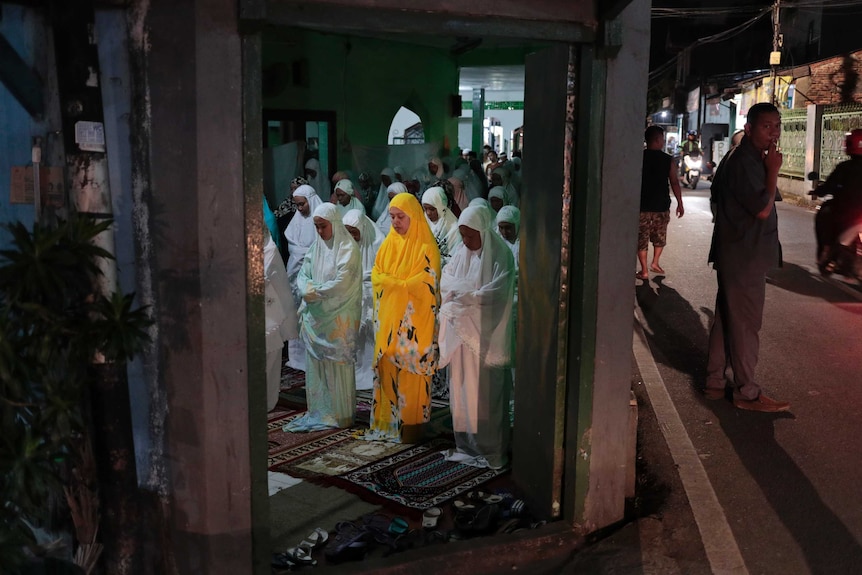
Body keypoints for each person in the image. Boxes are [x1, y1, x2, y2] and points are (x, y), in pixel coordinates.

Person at [704, 102, 789, 413]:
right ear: (750, 128)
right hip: (744, 255)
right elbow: (763, 208)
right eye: (767, 126)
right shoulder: (746, 162)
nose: (774, 132)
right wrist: (774, 170)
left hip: (735, 252)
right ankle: (747, 392)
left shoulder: (743, 157)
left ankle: (715, 382)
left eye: (777, 126)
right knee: (746, 324)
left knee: (727, 319)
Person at [438, 205, 516, 469]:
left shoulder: (501, 255)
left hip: (485, 341)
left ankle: (493, 450)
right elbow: (446, 282)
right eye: (463, 235)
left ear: (483, 231)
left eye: (471, 236)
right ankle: (467, 446)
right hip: (462, 339)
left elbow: (495, 293)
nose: (466, 241)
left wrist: (469, 296)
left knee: (485, 395)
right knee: (461, 394)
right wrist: (469, 293)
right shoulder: (461, 252)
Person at [365, 193, 441, 443]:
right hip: (389, 324)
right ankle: (388, 424)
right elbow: (377, 276)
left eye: (401, 217)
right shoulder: (388, 244)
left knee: (412, 379)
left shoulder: (426, 247)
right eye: (392, 217)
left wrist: (394, 284)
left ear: (414, 217)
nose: (395, 222)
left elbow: (425, 284)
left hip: (413, 326)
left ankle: (412, 428)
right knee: (387, 370)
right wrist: (398, 284)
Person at [285, 203, 362, 431]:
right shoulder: (315, 248)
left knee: (337, 364)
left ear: (335, 224)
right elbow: (303, 274)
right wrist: (306, 289)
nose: (319, 231)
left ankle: (341, 414)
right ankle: (321, 411)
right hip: (315, 318)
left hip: (338, 317)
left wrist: (315, 292)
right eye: (316, 227)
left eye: (323, 226)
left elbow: (342, 283)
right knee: (317, 366)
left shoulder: (348, 249)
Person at [342, 208, 386, 391]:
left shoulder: (379, 244)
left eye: (354, 232)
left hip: (374, 295)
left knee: (372, 337)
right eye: (348, 232)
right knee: (355, 338)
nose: (351, 237)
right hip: (352, 294)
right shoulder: (343, 245)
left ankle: (373, 375)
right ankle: (356, 375)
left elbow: (383, 273)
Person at [283, 184, 323, 371]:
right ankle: (297, 358)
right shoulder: (296, 221)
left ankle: (315, 359)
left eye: (302, 204)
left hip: (314, 276)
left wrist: (304, 254)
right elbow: (293, 246)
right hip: (295, 275)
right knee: (296, 316)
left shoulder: (321, 222)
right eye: (297, 205)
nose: (300, 209)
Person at [810, 128, 862, 273]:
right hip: (854, 215)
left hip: (844, 212)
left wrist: (817, 191)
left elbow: (828, 187)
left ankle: (826, 250)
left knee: (824, 215)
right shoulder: (843, 168)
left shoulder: (844, 168)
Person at [637, 125, 684, 280]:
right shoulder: (667, 159)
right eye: (662, 138)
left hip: (642, 206)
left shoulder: (639, 157)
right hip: (661, 205)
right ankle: (655, 262)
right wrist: (680, 202)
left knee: (641, 239)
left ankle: (643, 270)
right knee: (659, 237)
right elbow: (674, 182)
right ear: (657, 139)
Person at [264, 234, 298, 411]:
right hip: (253, 313)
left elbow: (262, 278)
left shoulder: (269, 250)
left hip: (270, 314)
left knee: (270, 357)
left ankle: (268, 401)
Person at [422, 186, 463, 267]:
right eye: (425, 209)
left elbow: (455, 259)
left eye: (432, 209)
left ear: (441, 207)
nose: (428, 213)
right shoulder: (424, 222)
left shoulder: (454, 229)